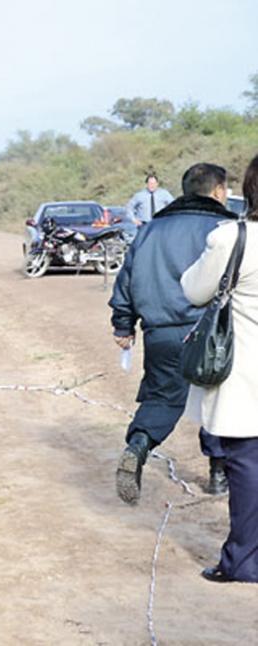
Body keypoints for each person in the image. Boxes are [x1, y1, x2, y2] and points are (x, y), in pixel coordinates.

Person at [110, 163, 236, 505]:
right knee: (217, 399)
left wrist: (123, 323)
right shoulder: (225, 228)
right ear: (218, 191)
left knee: (162, 398)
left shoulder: (150, 230)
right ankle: (218, 473)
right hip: (212, 334)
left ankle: (138, 445)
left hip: (161, 332)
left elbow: (127, 279)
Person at [182, 154, 258, 583]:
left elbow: (194, 290)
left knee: (246, 466)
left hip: (247, 377)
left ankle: (243, 562)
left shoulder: (232, 238)